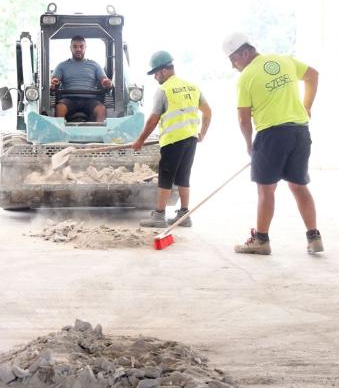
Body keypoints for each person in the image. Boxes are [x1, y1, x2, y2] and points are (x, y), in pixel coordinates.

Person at [223, 32, 322, 255]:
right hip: (299, 132)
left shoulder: (246, 77)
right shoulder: (284, 60)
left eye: (234, 59)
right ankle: (314, 237)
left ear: (246, 52)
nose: (233, 66)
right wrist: (306, 107)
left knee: (266, 190)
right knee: (298, 186)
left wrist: (249, 144)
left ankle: (261, 240)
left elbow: (243, 118)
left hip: (271, 136)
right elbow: (313, 75)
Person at [133, 51, 211, 228]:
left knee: (166, 178)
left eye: (155, 73)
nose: (155, 78)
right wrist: (202, 133)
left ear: (164, 71)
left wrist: (140, 141)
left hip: (173, 141)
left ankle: (159, 216)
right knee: (184, 177)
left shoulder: (164, 90)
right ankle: (184, 215)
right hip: (191, 139)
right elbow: (208, 112)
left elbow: (153, 120)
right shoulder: (192, 87)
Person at [50, 35, 113, 122]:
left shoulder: (95, 65)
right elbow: (54, 80)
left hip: (90, 100)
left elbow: (104, 80)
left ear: (85, 47)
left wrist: (106, 83)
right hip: (69, 100)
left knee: (101, 108)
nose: (78, 49)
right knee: (60, 107)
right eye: (75, 47)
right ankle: (59, 132)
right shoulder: (62, 66)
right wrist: (53, 83)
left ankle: (99, 134)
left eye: (81, 46)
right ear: (70, 48)